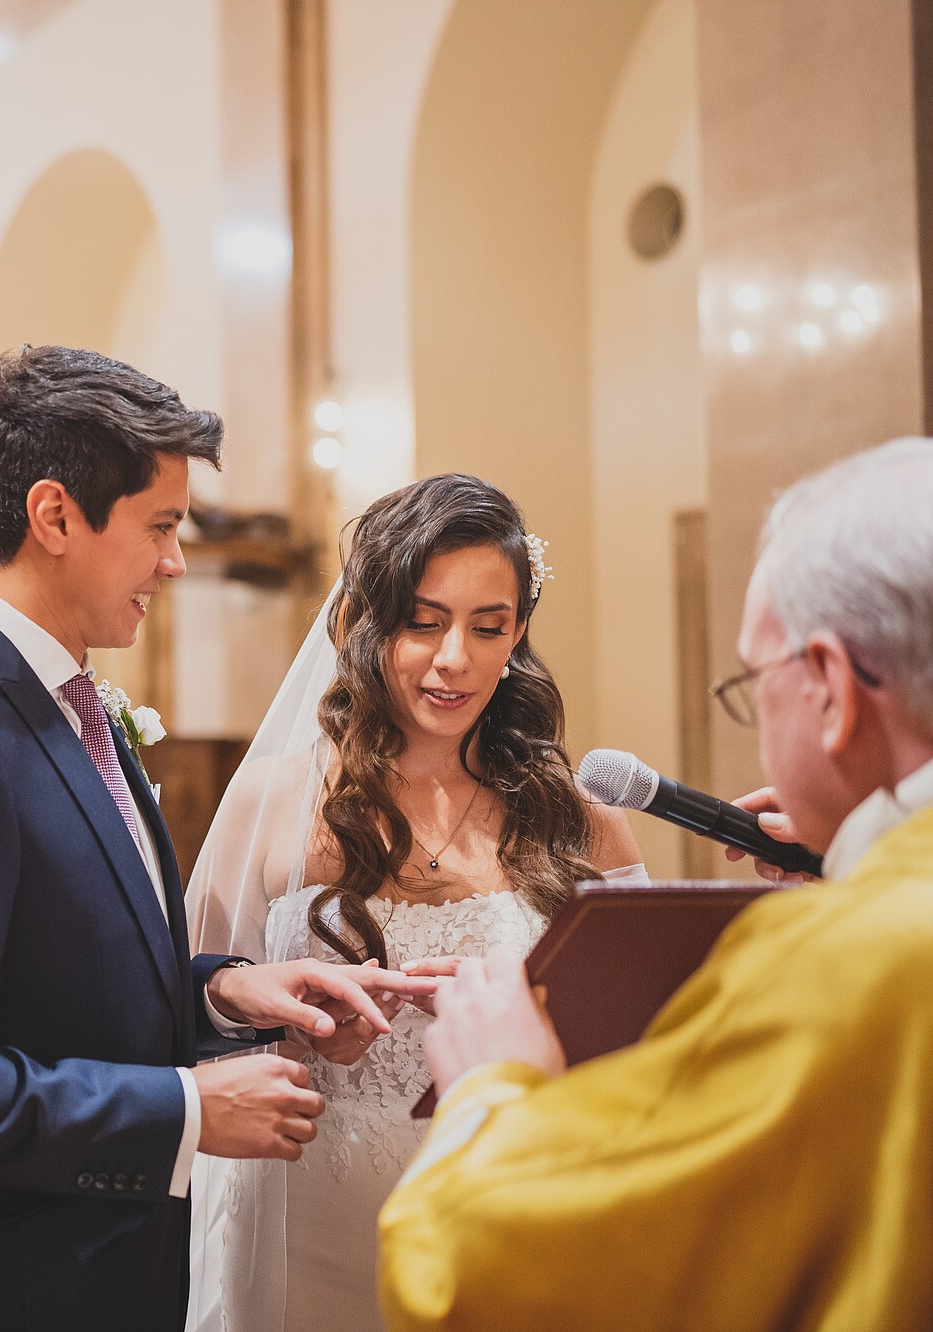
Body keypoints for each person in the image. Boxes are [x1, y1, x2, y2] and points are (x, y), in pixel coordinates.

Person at [0, 346, 435, 1332]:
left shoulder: (71, 706)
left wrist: (227, 995)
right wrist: (187, 1113)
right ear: (55, 516)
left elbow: (62, 992)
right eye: (158, 525)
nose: (174, 561)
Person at [374, 439, 933, 1330]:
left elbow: (481, 1270)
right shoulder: (865, 914)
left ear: (831, 687)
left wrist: (492, 1083)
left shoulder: (845, 957)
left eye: (753, 680)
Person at [182, 474, 644, 1332]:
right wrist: (300, 1030)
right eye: (423, 623)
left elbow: (640, 1046)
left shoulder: (583, 820)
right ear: (370, 625)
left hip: (504, 1219)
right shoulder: (272, 804)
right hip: (304, 1220)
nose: (454, 658)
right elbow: (192, 1019)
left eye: (488, 627)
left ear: (519, 632)